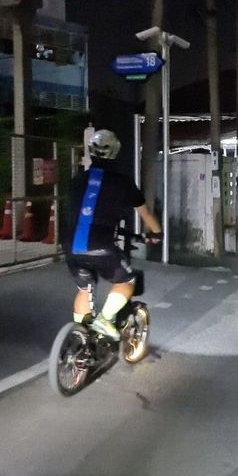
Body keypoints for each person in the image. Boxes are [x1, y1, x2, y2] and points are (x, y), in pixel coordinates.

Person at [64, 129, 162, 340]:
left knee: (84, 289)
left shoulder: (77, 179)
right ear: (116, 152)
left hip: (72, 246)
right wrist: (157, 233)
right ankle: (105, 319)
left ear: (91, 151)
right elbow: (144, 213)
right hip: (101, 245)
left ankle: (81, 339)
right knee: (127, 280)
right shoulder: (123, 182)